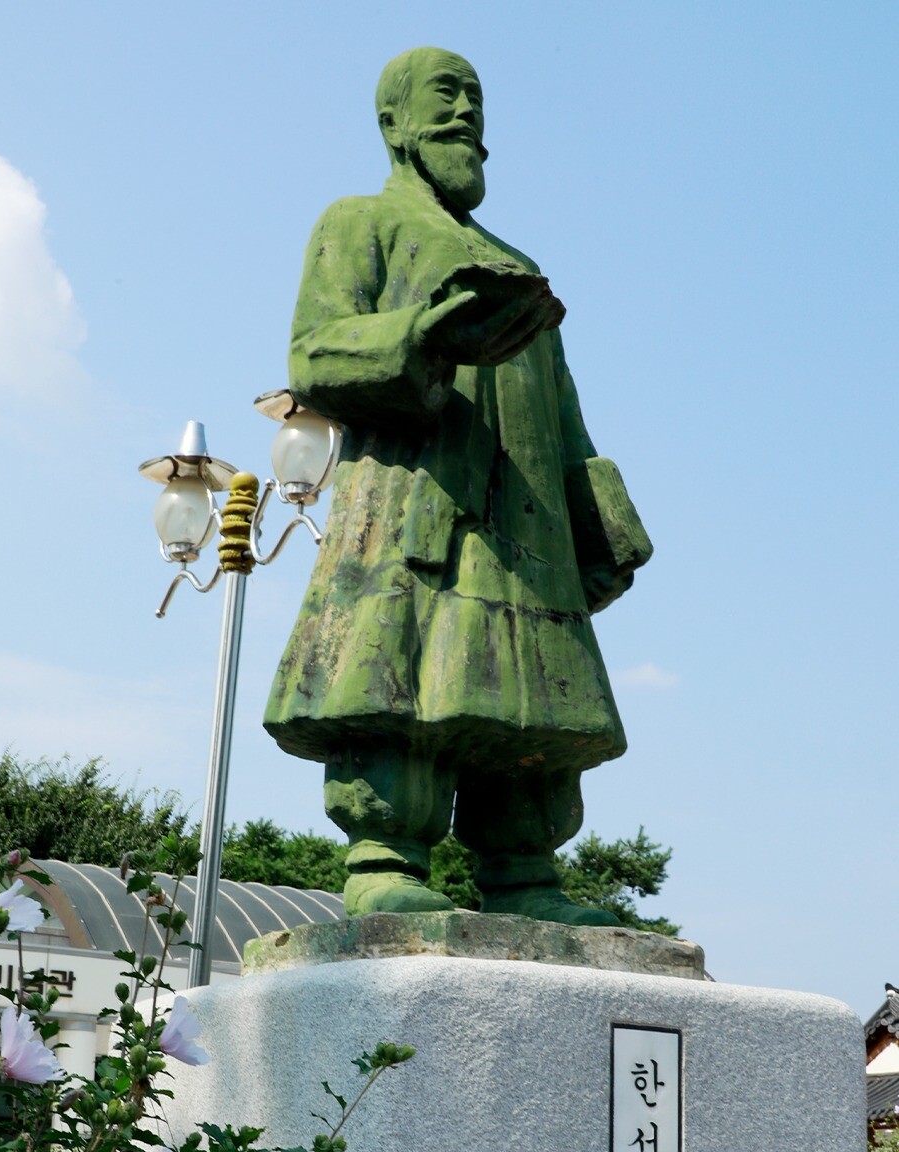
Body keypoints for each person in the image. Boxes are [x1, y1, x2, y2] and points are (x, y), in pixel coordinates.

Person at [264, 45, 652, 922]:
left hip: (530, 530)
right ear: (393, 123)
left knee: (530, 716)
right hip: (415, 508)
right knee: (401, 686)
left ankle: (524, 874)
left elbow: (564, 414)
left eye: (476, 100)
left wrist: (600, 527)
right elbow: (314, 352)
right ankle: (384, 858)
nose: (466, 115)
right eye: (446, 97)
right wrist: (426, 338)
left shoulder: (516, 264)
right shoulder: (358, 222)